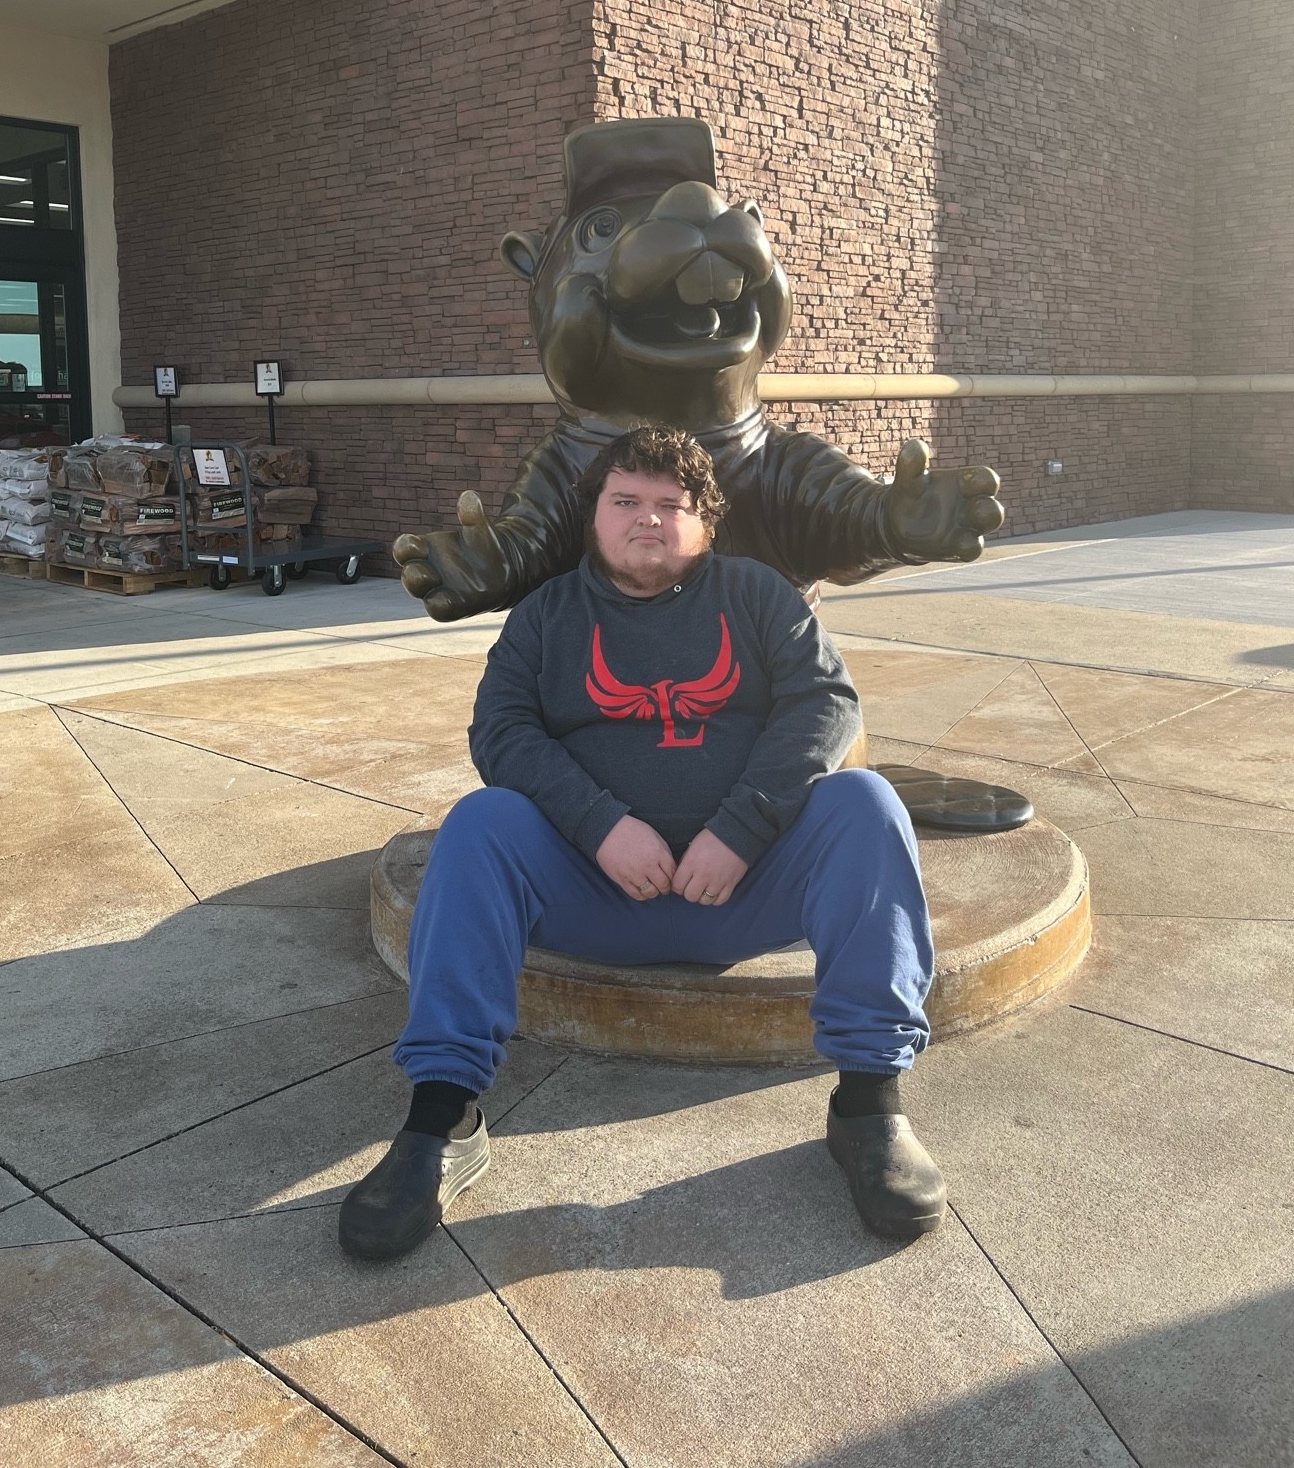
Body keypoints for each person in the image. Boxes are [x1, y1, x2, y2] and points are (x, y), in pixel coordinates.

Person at [338, 425, 943, 1261]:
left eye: (671, 504)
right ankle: (441, 1121)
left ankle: (869, 1108)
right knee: (481, 823)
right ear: (594, 515)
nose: (648, 518)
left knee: (865, 803)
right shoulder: (546, 615)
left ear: (707, 522)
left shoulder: (759, 595)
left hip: (748, 888)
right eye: (626, 500)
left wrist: (740, 829)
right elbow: (502, 732)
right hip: (592, 893)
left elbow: (825, 704)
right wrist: (600, 826)